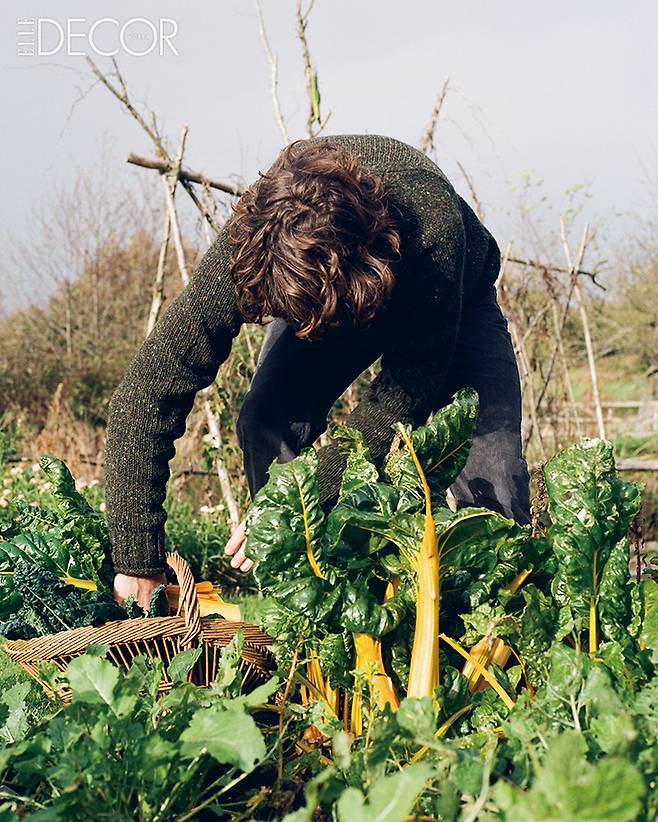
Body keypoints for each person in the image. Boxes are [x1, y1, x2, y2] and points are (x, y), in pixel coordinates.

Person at [107, 134, 530, 609]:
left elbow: (400, 402)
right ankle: (308, 607)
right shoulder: (256, 243)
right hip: (326, 287)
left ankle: (499, 631)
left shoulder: (431, 226)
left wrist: (295, 502)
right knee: (265, 417)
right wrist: (137, 560)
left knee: (491, 470)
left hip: (450, 297)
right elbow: (146, 390)